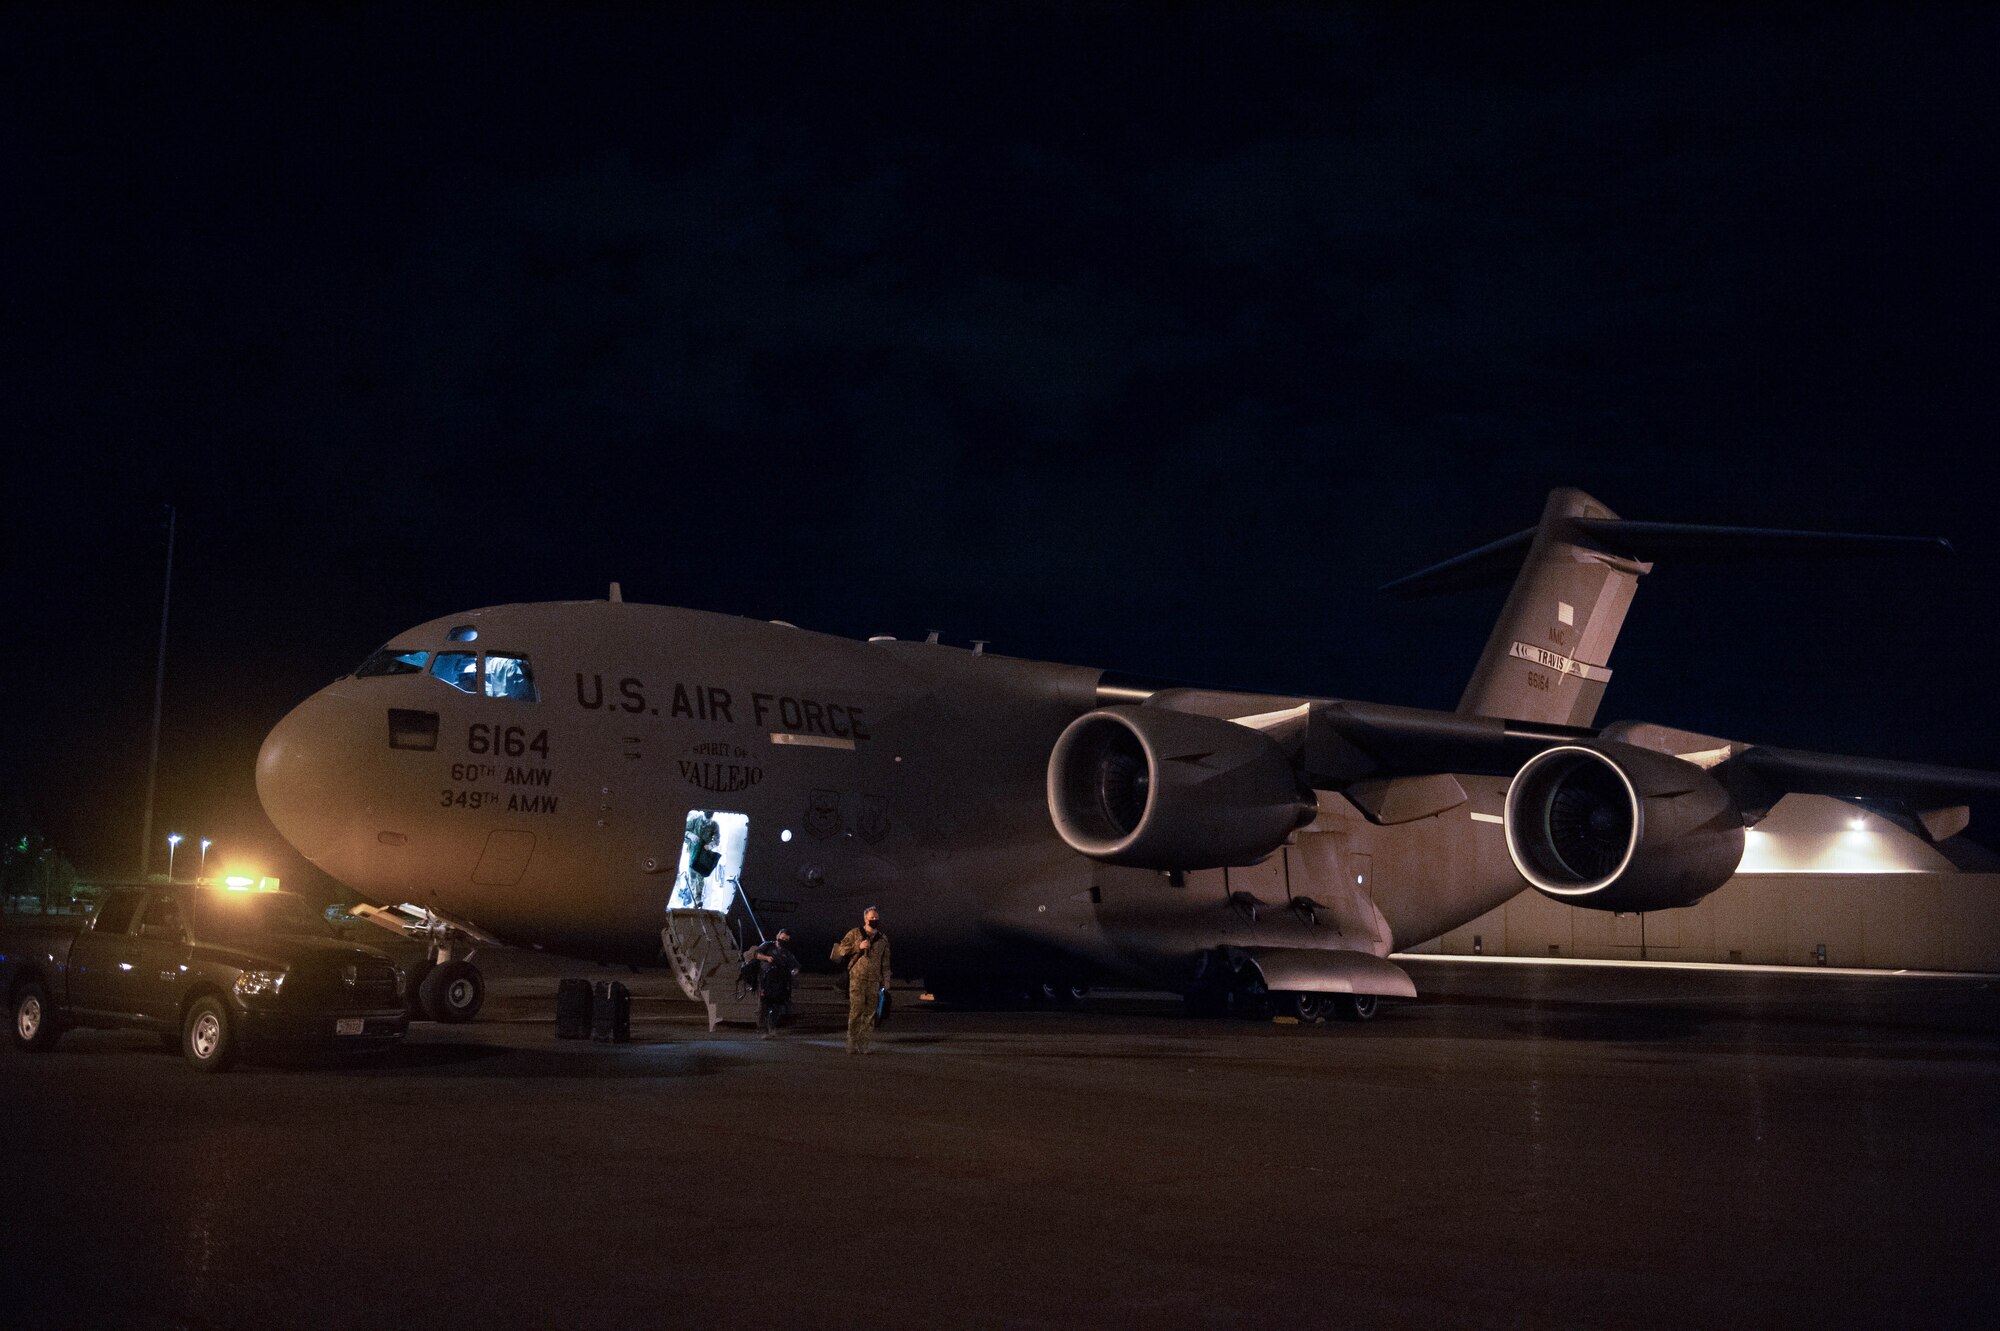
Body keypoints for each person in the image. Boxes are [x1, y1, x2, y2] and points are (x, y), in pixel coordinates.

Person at [830, 906, 890, 1054]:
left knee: (870, 1014)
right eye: (872, 917)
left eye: (876, 918)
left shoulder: (882, 939)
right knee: (856, 1012)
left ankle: (864, 1045)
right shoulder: (855, 933)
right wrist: (858, 946)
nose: (874, 920)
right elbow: (841, 950)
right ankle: (851, 1043)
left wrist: (886, 979)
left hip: (874, 980)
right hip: (857, 978)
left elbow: (886, 961)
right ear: (865, 919)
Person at [746, 929, 799, 1038]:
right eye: (782, 938)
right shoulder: (768, 946)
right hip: (766, 980)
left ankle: (772, 1027)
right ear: (777, 936)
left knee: (778, 1007)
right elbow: (755, 954)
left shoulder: (786, 952)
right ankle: (763, 1030)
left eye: (786, 939)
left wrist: (794, 971)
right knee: (764, 1006)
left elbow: (795, 965)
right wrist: (767, 958)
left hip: (780, 982)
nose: (783, 940)